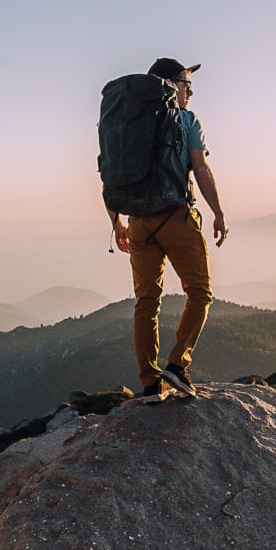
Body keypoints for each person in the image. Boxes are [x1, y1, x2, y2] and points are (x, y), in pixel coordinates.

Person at [106, 57, 228, 401]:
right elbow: (200, 168)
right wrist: (218, 211)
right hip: (176, 217)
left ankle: (149, 383)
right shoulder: (186, 120)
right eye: (187, 84)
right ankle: (177, 365)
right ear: (172, 86)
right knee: (200, 293)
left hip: (138, 222)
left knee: (146, 303)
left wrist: (116, 221)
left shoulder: (126, 123)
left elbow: (113, 174)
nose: (191, 92)